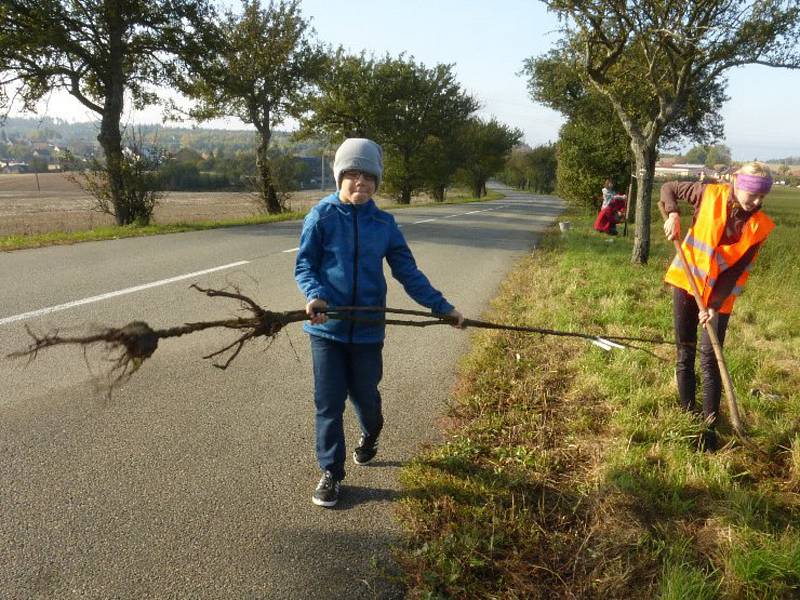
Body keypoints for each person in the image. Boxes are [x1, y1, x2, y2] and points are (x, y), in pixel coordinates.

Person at [295, 137, 464, 507]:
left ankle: (371, 433)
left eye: (368, 176)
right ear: (339, 177)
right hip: (326, 328)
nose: (361, 182)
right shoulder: (320, 216)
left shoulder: (384, 223)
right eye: (352, 174)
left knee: (366, 398)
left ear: (377, 182)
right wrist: (315, 295)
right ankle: (331, 473)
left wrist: (442, 307)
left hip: (369, 330)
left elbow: (408, 272)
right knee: (328, 403)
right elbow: (305, 265)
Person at [660, 162, 775, 450]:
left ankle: (709, 429)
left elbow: (736, 271)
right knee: (685, 352)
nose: (758, 202)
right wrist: (673, 214)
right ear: (737, 183)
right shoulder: (708, 194)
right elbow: (669, 188)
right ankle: (689, 420)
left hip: (718, 299)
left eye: (763, 197)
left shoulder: (759, 226)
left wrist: (713, 305)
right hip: (687, 283)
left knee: (710, 360)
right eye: (753, 195)